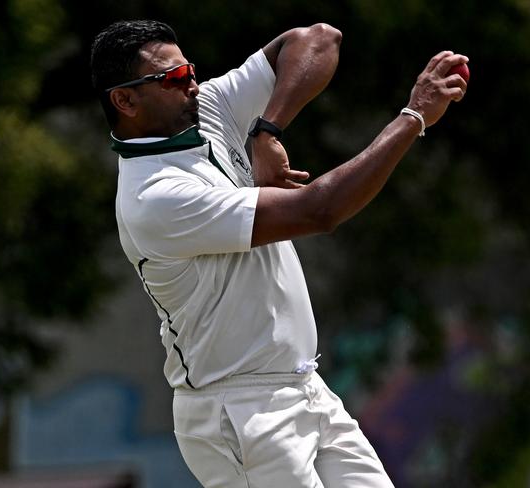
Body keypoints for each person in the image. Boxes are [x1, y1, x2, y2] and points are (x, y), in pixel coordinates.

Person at [90, 19, 467, 488]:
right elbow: (320, 211)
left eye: (189, 70)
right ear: (124, 100)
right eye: (171, 78)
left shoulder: (208, 109)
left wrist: (268, 129)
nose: (191, 84)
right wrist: (412, 118)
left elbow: (318, 39)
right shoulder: (155, 196)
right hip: (237, 411)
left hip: (305, 387)